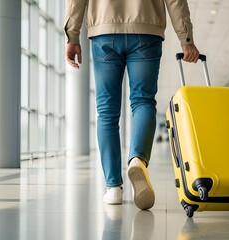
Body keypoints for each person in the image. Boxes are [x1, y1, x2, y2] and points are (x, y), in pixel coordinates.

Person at [64, 0, 200, 210]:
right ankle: (138, 160)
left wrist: (72, 35)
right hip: (147, 30)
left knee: (107, 112)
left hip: (104, 30)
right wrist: (186, 38)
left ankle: (113, 188)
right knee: (143, 102)